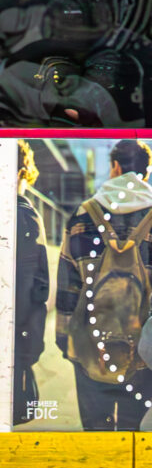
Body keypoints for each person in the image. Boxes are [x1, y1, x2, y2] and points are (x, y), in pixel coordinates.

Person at [56, 139, 152, 431]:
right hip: (144, 350)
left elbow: (68, 286)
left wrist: (64, 337)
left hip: (90, 346)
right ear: (146, 173)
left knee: (96, 431)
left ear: (115, 167)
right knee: (134, 430)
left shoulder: (83, 215)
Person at [14, 140, 48, 424]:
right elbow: (36, 289)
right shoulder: (25, 215)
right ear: (20, 173)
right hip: (14, 346)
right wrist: (31, 349)